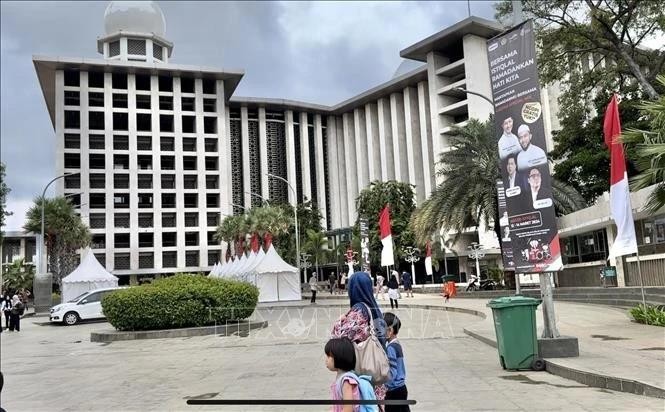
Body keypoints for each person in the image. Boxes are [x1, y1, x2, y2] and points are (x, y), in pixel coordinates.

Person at [331, 273, 388, 402]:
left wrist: (339, 322)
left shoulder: (358, 311)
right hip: (375, 374)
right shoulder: (374, 308)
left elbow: (337, 339)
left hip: (361, 375)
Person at [325, 337, 378, 412]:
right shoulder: (341, 378)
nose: (326, 360)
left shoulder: (346, 381)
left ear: (339, 357)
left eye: (328, 356)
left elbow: (348, 408)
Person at [383, 313, 409, 412]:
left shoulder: (391, 348)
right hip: (401, 388)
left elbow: (392, 372)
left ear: (390, 330)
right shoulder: (396, 344)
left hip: (394, 391)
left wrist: (385, 385)